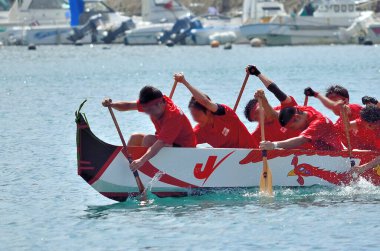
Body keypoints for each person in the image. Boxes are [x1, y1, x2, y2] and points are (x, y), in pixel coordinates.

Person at [102, 85, 196, 171]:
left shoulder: (173, 116)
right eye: (146, 109)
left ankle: (143, 170)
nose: (148, 112)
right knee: (135, 137)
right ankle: (128, 169)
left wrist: (141, 161)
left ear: (160, 104)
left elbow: (161, 143)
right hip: (170, 143)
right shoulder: (153, 102)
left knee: (148, 139)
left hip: (185, 149)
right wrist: (112, 105)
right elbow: (128, 106)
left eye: (150, 110)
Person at [173, 73, 257, 148]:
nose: (195, 119)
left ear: (208, 111)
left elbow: (205, 102)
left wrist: (184, 82)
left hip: (252, 158)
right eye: (193, 116)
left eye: (197, 115)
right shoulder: (200, 131)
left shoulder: (226, 114)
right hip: (231, 162)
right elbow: (181, 141)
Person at [243, 65, 299, 143]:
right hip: (292, 154)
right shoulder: (260, 131)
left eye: (257, 112)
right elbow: (244, 144)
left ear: (262, 103)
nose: (260, 118)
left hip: (314, 150)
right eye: (256, 119)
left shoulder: (286, 109)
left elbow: (276, 91)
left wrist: (258, 74)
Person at [260, 106, 343, 151]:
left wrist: (274, 145)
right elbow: (274, 114)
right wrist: (263, 98)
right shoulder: (303, 110)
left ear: (297, 117)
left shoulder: (318, 122)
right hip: (320, 153)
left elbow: (301, 140)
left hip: (335, 155)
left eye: (292, 127)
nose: (294, 130)